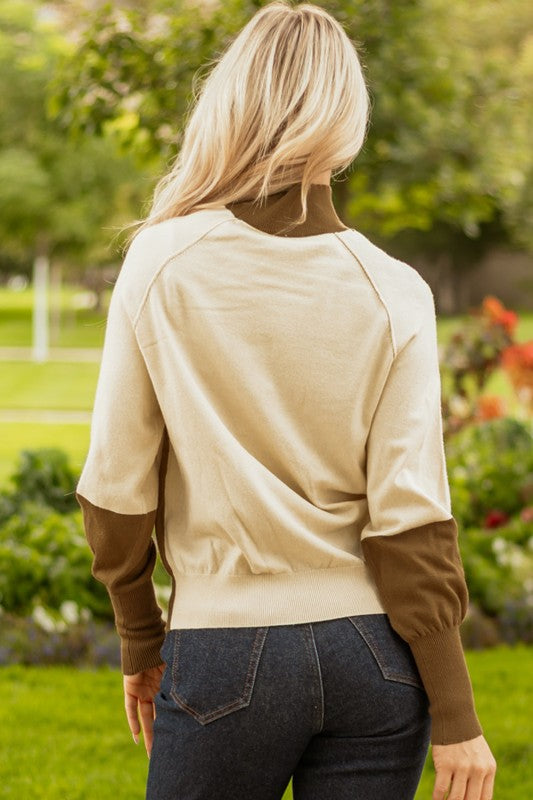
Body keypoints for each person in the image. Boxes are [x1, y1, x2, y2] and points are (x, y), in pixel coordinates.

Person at [75, 2, 497, 799]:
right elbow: (411, 519)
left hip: (226, 655)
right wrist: (456, 715)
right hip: (378, 665)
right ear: (345, 119)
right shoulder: (394, 291)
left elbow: (116, 489)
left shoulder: (163, 261)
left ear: (231, 102)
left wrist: (140, 638)